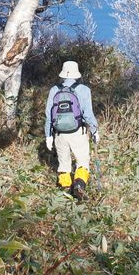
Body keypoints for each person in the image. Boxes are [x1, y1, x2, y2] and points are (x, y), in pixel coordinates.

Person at [44, 60, 99, 198]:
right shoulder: (84, 90)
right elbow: (87, 114)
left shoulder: (54, 90)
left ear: (63, 74)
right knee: (82, 160)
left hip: (59, 133)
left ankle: (65, 189)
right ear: (77, 74)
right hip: (77, 132)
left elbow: (48, 114)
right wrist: (94, 130)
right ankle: (79, 185)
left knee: (64, 163)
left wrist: (48, 135)